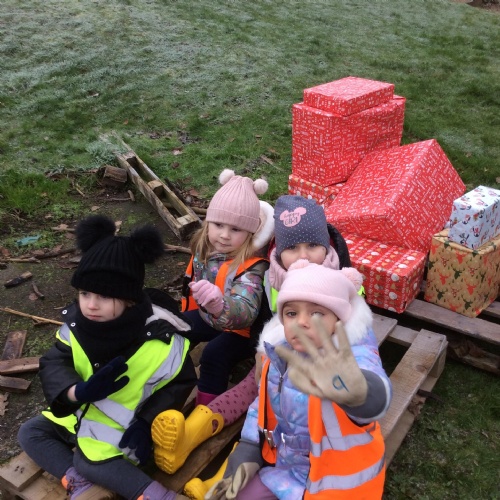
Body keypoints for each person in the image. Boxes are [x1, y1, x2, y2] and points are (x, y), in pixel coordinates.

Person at [181, 194, 353, 499]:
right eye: (292, 248)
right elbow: (269, 319)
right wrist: (263, 351)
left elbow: (355, 327)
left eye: (312, 246)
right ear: (278, 250)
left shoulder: (341, 277)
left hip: (317, 367)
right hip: (276, 353)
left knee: (260, 405)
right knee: (253, 395)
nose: (303, 256)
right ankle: (196, 431)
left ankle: (215, 459)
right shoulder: (274, 276)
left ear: (326, 246)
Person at [17, 215, 197, 500]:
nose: (91, 305)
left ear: (129, 299)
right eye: (85, 293)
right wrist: (77, 392)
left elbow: (179, 383)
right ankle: (79, 482)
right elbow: (55, 361)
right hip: (77, 414)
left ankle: (158, 495)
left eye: (104, 296)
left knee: (89, 461)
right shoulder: (76, 326)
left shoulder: (160, 341)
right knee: (30, 432)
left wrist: (147, 423)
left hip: (124, 429)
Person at [207, 260, 392, 499]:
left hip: (339, 486)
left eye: (317, 312)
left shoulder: (349, 358)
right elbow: (261, 406)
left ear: (338, 320)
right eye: (291, 313)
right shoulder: (279, 355)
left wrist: (363, 394)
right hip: (288, 471)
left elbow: (374, 390)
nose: (301, 321)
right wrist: (248, 451)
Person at [152, 169, 274, 475]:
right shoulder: (205, 247)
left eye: (236, 229)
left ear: (251, 232)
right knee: (175, 329)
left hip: (240, 329)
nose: (224, 235)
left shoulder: (253, 266)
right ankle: (159, 389)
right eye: (218, 224)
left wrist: (220, 304)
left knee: (214, 355)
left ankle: (203, 416)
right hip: (209, 316)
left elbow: (246, 310)